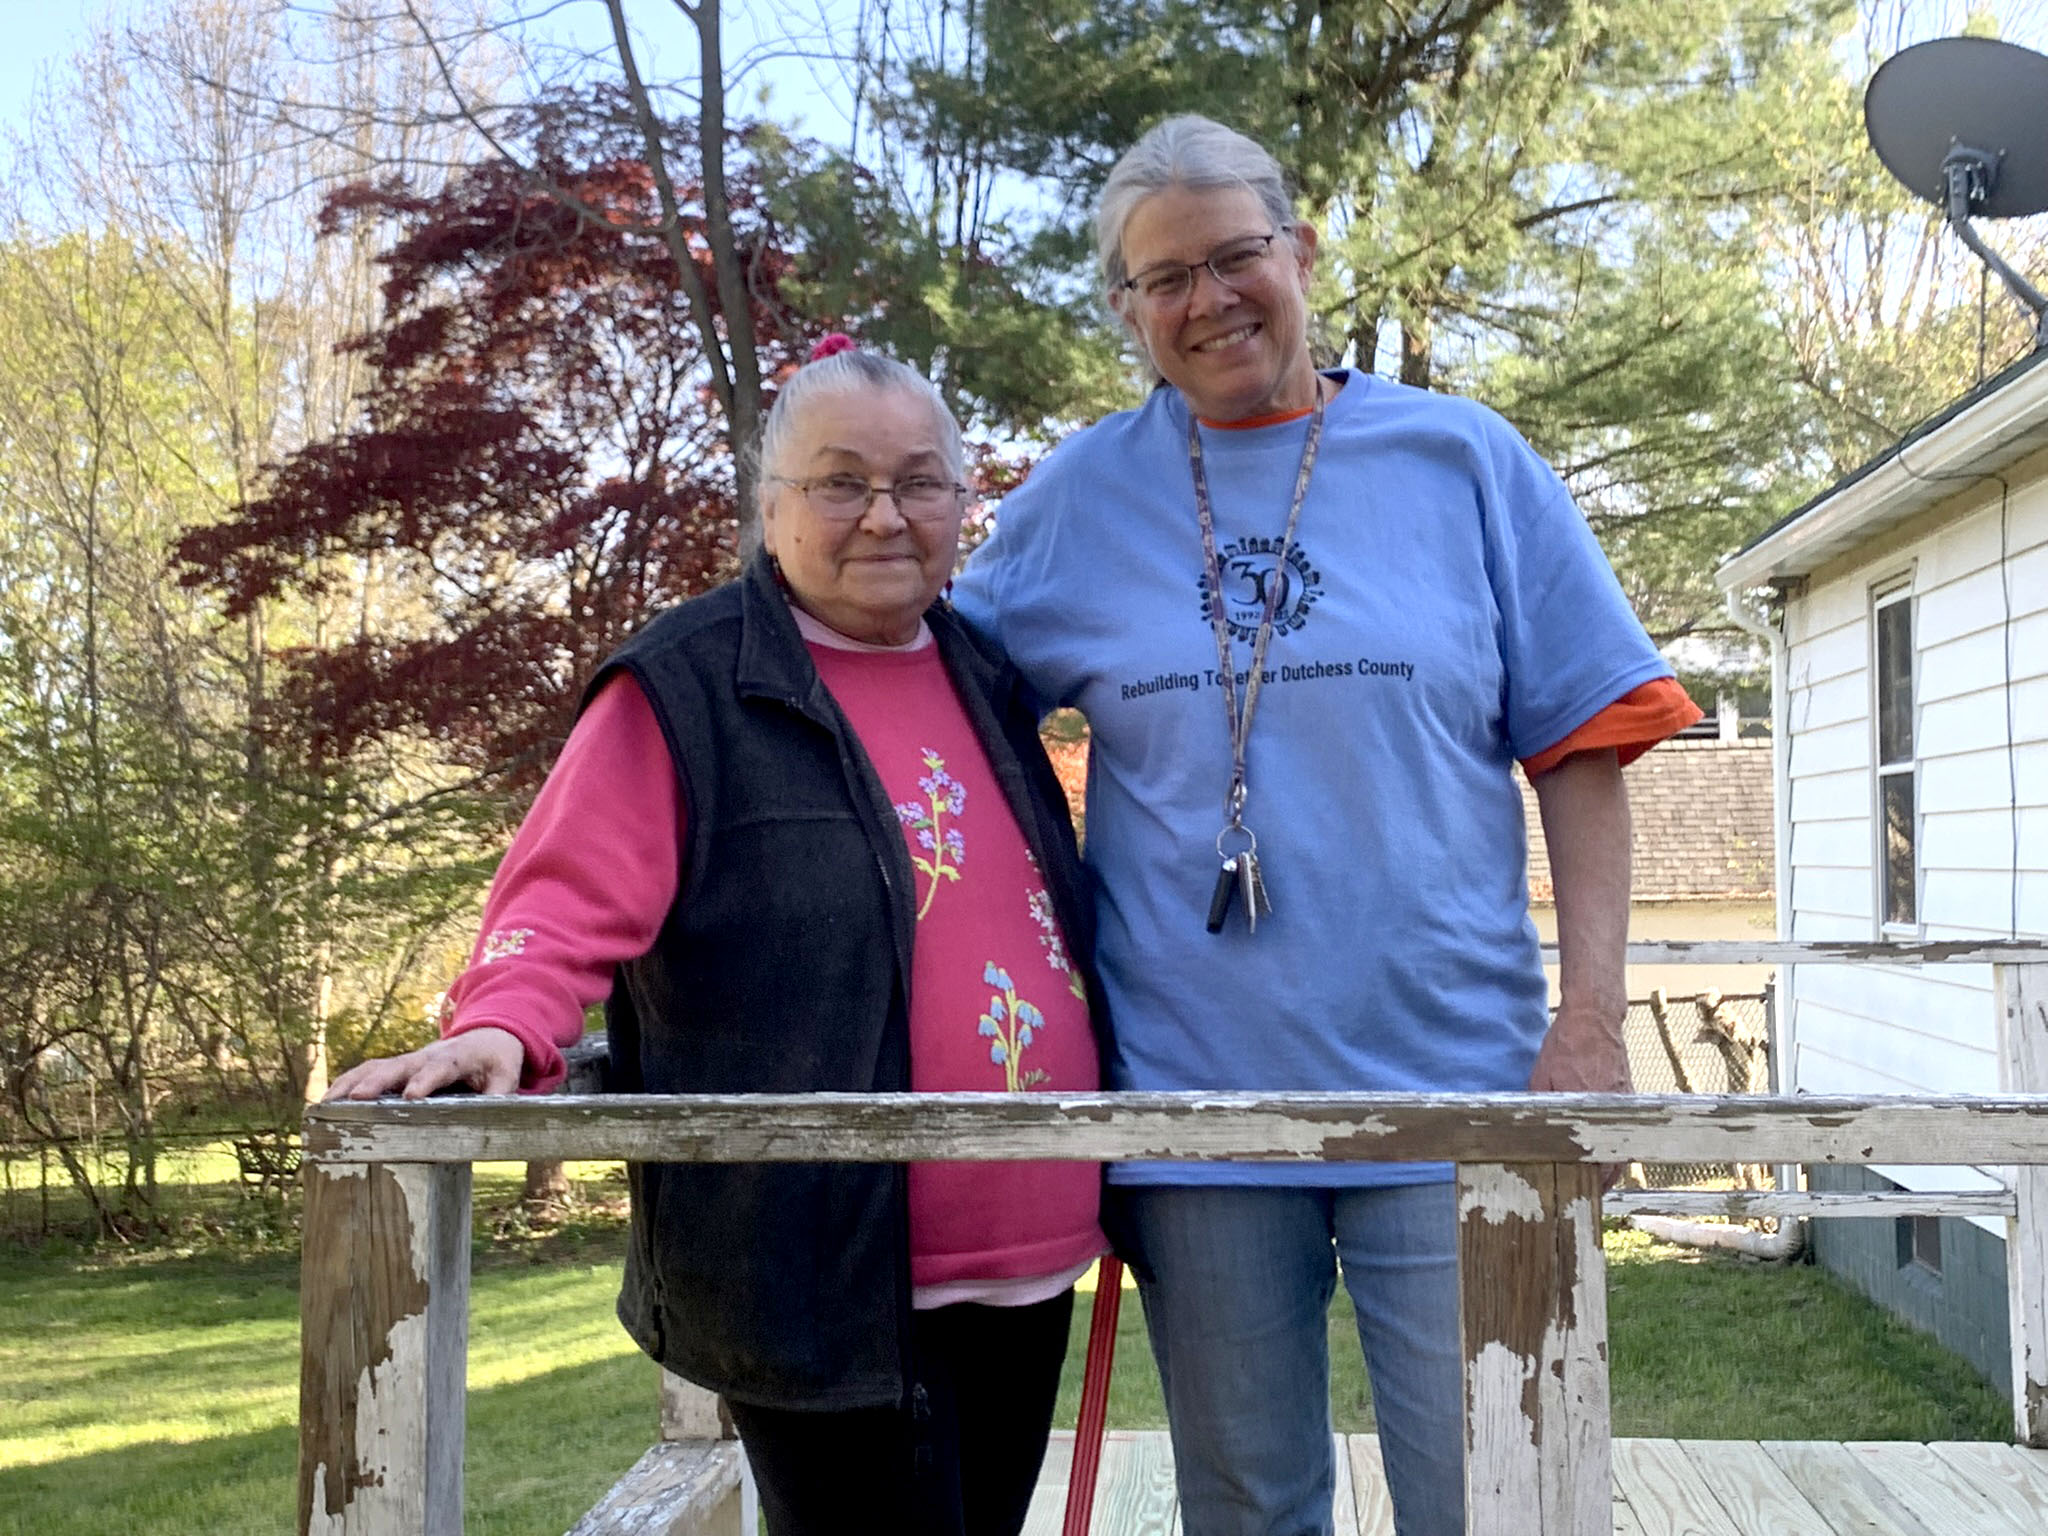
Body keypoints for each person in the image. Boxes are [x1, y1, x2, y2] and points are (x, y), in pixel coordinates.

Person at [949, 116, 1701, 1536]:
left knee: (1496, 1497)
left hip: (1460, 1092)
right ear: (1126, 310)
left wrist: (1591, 1018)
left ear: (1302, 251)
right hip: (1193, 1108)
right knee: (1247, 1506)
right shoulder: (1079, 497)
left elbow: (1588, 748)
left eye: (1237, 256)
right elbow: (919, 701)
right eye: (1162, 278)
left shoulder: (1460, 458)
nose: (1208, 298)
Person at [328, 340, 1109, 1536]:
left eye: (920, 483)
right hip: (818, 1273)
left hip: (1027, 1260)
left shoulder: (989, 679)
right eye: (840, 482)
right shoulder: (686, 688)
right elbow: (564, 895)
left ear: (962, 504)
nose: (885, 516)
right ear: (771, 506)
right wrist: (500, 1023)